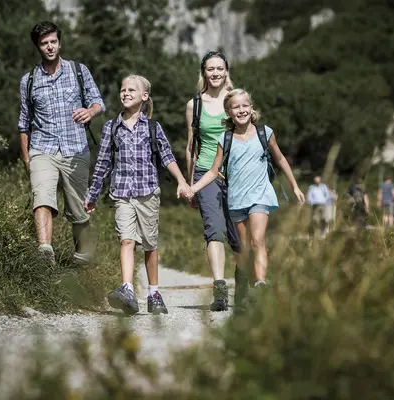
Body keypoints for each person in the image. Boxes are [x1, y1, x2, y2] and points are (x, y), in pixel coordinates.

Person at [84, 74, 191, 316]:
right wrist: (92, 195)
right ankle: (128, 290)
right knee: (127, 240)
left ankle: (154, 293)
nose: (125, 93)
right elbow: (102, 164)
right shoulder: (112, 127)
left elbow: (167, 157)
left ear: (144, 97)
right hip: (121, 193)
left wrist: (182, 181)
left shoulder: (152, 127)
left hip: (147, 194)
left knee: (150, 246)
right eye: (123, 89)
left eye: (132, 90)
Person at [189, 89, 305, 298]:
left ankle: (261, 282)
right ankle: (244, 281)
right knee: (243, 249)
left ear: (251, 108)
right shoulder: (225, 139)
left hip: (260, 195)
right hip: (236, 199)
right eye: (236, 107)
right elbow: (214, 171)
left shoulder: (265, 133)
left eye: (245, 106)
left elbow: (280, 159)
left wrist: (295, 186)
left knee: (257, 240)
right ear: (229, 112)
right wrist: (194, 188)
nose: (241, 110)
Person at [18, 21, 105, 266]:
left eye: (53, 41)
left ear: (59, 42)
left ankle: (83, 259)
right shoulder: (29, 80)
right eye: (44, 43)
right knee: (42, 197)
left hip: (75, 149)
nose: (49, 47)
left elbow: (98, 102)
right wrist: (27, 158)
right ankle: (45, 252)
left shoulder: (79, 70)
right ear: (38, 46)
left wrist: (91, 112)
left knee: (79, 211)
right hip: (42, 149)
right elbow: (24, 123)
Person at [184, 51, 242, 311]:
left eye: (219, 68)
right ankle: (220, 288)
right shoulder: (194, 105)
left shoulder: (238, 99)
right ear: (204, 72)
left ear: (226, 70)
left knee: (239, 237)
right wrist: (190, 185)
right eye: (210, 69)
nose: (215, 73)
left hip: (239, 175)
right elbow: (190, 147)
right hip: (206, 174)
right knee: (213, 230)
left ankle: (243, 288)